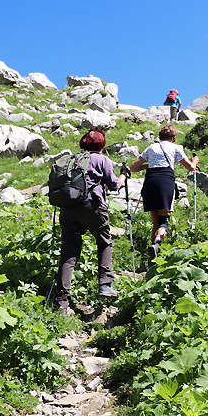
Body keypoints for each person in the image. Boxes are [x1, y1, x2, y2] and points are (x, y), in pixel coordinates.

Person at [54, 130, 128, 315]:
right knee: (104, 242)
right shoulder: (102, 160)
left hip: (68, 208)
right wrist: (123, 176)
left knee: (69, 255)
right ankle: (105, 285)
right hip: (92, 205)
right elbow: (114, 186)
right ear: (101, 145)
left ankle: (62, 303)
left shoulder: (72, 159)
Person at [128, 124, 198, 262]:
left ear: (160, 136)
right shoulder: (175, 148)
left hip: (150, 182)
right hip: (165, 181)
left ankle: (152, 259)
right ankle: (158, 242)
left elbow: (134, 168)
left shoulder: (151, 148)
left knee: (155, 222)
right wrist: (195, 161)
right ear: (173, 137)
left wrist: (149, 165)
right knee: (164, 221)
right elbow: (190, 168)